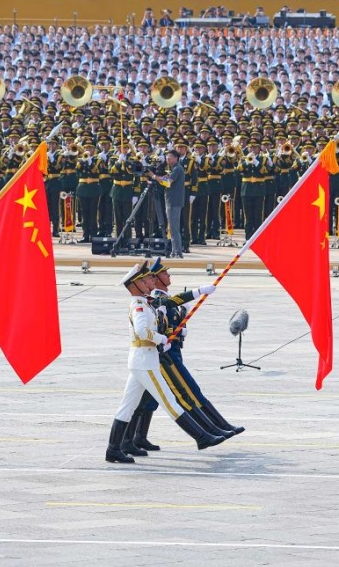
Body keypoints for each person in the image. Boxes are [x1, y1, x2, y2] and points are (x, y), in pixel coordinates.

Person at [105, 262, 225, 464]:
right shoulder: (139, 306)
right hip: (145, 360)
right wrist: (161, 339)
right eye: (144, 280)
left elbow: (168, 305)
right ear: (134, 285)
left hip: (141, 360)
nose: (148, 282)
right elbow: (142, 331)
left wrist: (197, 293)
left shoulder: (146, 302)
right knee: (169, 401)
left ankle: (113, 449)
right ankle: (202, 437)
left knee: (127, 406)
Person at [153, 149, 186, 258]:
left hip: (174, 201)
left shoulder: (177, 169)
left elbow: (167, 182)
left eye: (170, 156)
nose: (167, 159)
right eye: (167, 157)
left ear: (176, 158)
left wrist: (153, 176)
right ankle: (174, 251)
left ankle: (177, 252)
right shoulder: (173, 169)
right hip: (171, 200)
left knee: (174, 228)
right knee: (172, 227)